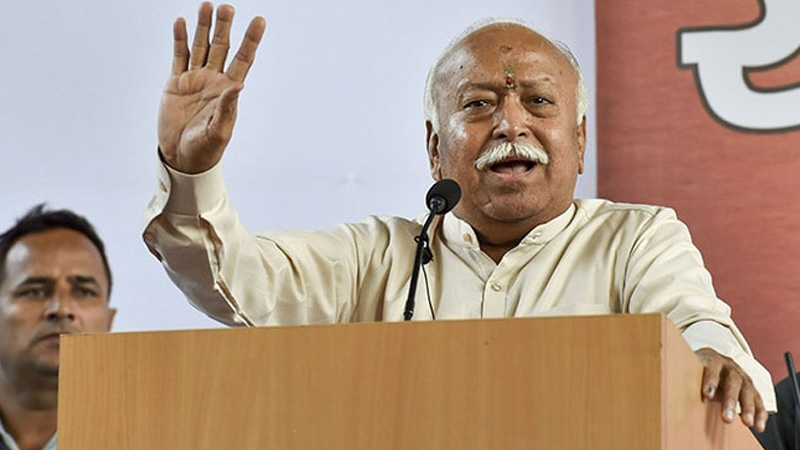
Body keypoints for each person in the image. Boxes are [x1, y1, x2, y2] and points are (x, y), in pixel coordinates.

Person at [143, 1, 776, 432]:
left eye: (538, 101)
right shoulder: (377, 259)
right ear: (434, 148)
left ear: (580, 142)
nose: (510, 123)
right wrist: (191, 171)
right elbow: (235, 279)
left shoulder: (636, 239)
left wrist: (710, 358)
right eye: (478, 105)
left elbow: (695, 322)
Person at [0, 205, 116, 450]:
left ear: (109, 321)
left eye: (84, 292)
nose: (61, 309)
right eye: (35, 291)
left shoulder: (151, 434)